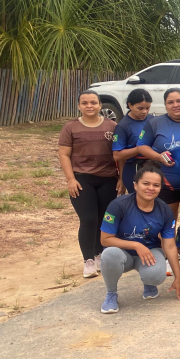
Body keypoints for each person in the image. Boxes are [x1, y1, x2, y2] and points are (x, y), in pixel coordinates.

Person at [98, 162, 180, 313]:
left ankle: (149, 283)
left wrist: (178, 276)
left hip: (149, 252)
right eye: (146, 183)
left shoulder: (165, 210)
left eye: (156, 185)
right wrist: (136, 245)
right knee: (109, 254)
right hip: (123, 253)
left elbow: (169, 246)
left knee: (156, 276)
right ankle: (111, 294)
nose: (151, 188)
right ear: (135, 185)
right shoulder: (118, 205)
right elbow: (105, 239)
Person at [58, 90, 119, 279]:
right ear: (79, 106)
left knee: (103, 220)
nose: (89, 106)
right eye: (85, 103)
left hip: (108, 179)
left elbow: (119, 154)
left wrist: (122, 178)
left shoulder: (113, 126)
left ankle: (100, 254)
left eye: (93, 102)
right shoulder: (71, 127)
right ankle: (88, 260)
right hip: (82, 180)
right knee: (89, 219)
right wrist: (70, 179)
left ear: (100, 105)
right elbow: (64, 154)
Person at [137, 88, 180, 220]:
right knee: (167, 226)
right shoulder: (155, 123)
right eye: (170, 102)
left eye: (179, 101)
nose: (175, 105)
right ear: (165, 105)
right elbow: (141, 145)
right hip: (165, 184)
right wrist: (158, 157)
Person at [111, 88, 153, 194]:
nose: (144, 111)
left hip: (154, 165)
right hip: (134, 168)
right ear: (130, 105)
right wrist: (140, 148)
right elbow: (117, 155)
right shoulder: (123, 126)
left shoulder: (152, 120)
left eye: (147, 108)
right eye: (140, 108)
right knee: (138, 202)